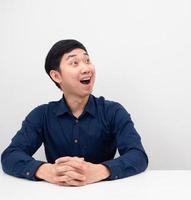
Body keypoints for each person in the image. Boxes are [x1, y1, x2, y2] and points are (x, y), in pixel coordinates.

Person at [1, 39, 148, 186]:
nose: (86, 68)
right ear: (56, 76)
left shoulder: (113, 111)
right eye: (74, 63)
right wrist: (47, 170)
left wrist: (100, 170)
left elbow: (138, 156)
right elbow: (10, 156)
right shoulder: (42, 115)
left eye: (87, 60)